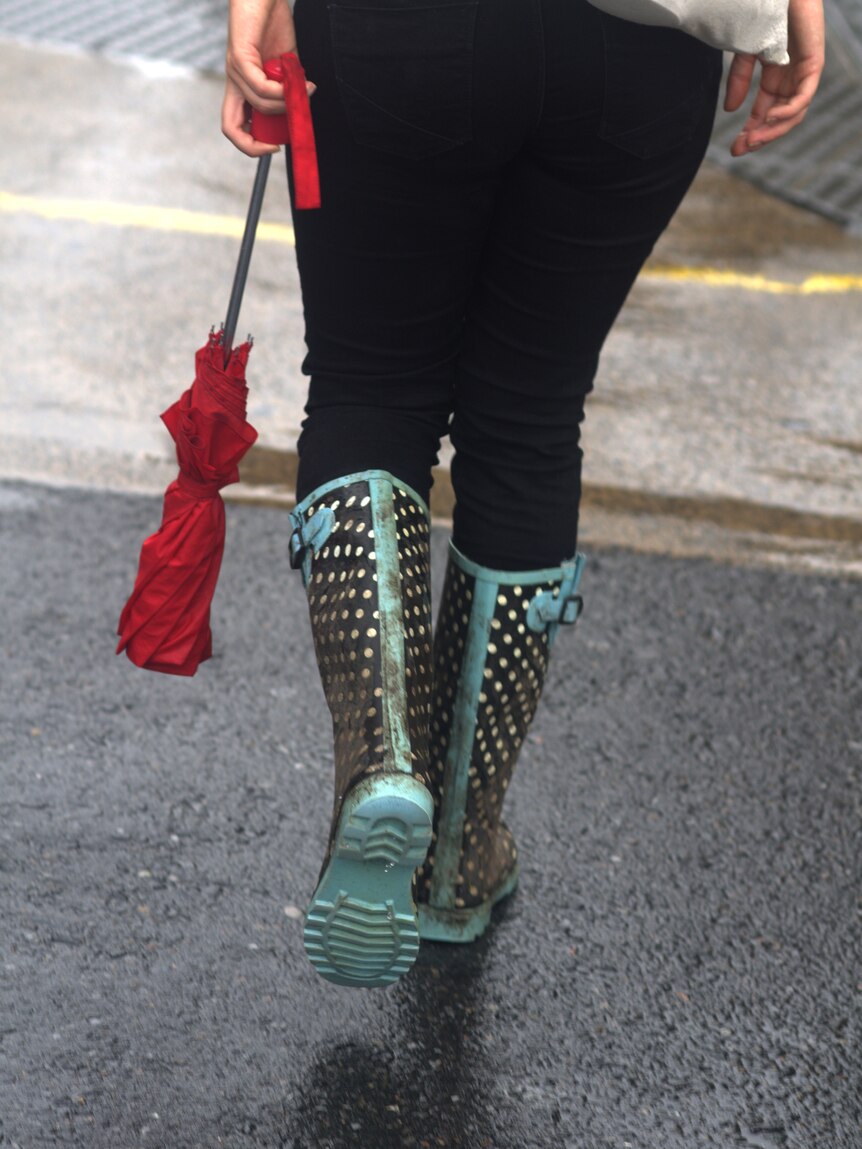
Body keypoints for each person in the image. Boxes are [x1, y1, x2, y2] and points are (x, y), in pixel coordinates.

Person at [222, 0, 826, 988]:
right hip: (642, 48)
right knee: (530, 416)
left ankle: (381, 758)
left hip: (395, 36)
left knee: (373, 384)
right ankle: (458, 858)